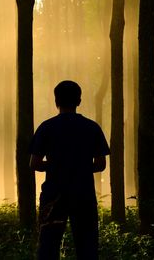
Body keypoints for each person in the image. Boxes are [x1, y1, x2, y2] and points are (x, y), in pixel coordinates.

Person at [29, 80, 110, 260]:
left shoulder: (46, 127)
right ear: (79, 101)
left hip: (53, 195)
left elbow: (34, 164)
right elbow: (101, 164)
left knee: (48, 247)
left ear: (56, 101)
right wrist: (79, 168)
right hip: (83, 195)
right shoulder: (91, 127)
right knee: (87, 247)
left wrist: (56, 166)